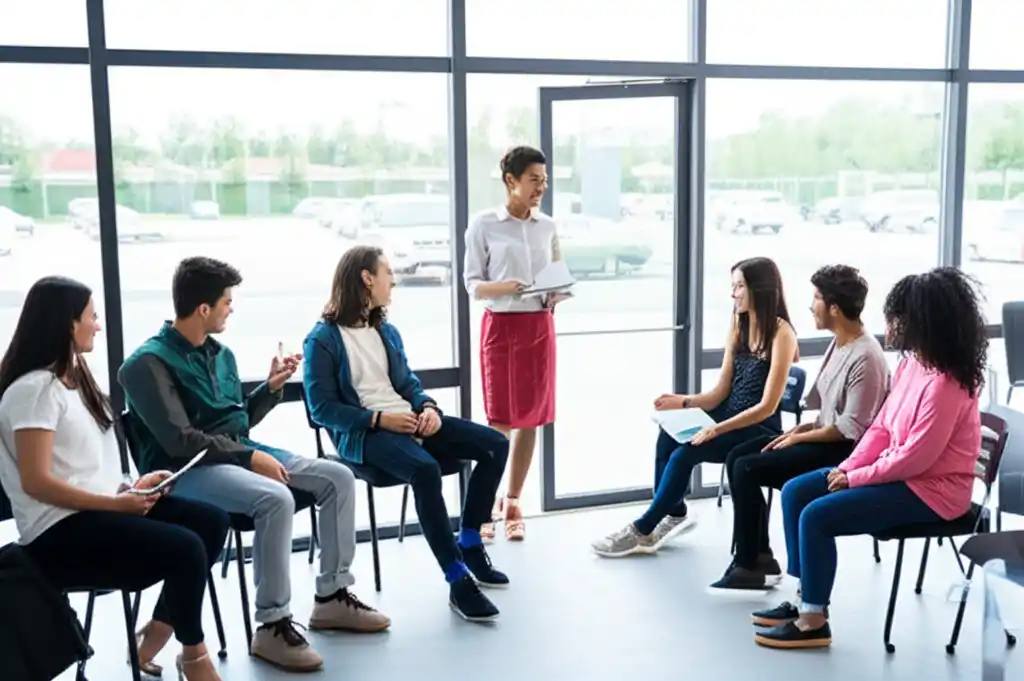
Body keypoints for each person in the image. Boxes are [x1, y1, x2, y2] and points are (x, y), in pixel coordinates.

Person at [119, 257, 390, 674]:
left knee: (337, 477)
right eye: (227, 301)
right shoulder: (144, 365)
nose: (232, 308)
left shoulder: (222, 355)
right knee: (274, 498)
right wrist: (250, 457)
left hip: (233, 453)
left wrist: (269, 389)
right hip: (183, 471)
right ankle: (272, 625)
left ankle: (333, 597)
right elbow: (180, 441)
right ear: (203, 308)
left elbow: (235, 421)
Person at [0, 276, 229, 681]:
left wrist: (129, 488)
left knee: (212, 522)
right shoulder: (33, 391)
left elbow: (82, 467)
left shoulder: (75, 379)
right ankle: (194, 658)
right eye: (92, 316)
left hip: (97, 514)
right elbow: (36, 483)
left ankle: (158, 630)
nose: (98, 325)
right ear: (67, 323)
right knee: (186, 547)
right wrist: (115, 505)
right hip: (58, 534)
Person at [753, 267, 987, 650]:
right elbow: (880, 429)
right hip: (901, 474)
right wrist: (847, 467)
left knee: (817, 515)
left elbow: (917, 458)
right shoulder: (913, 364)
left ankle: (813, 621)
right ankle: (804, 596)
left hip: (933, 492)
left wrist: (856, 478)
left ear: (925, 322)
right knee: (796, 492)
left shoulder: (947, 384)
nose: (891, 322)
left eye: (899, 315)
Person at [303, 246, 511, 623]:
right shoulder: (323, 339)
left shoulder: (386, 330)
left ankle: (470, 542)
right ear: (367, 278)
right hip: (366, 435)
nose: (393, 280)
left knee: (495, 444)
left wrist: (428, 408)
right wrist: (379, 419)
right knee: (426, 470)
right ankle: (457, 579)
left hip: (409, 420)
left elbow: (408, 384)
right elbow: (323, 410)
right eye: (387, 272)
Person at [592, 257, 798, 557]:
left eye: (739, 286)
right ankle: (675, 513)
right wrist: (684, 402)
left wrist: (715, 429)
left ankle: (642, 529)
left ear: (759, 288)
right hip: (728, 417)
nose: (734, 294)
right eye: (733, 286)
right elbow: (719, 393)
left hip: (759, 429)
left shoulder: (783, 334)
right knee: (668, 434)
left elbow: (767, 407)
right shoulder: (739, 324)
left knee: (686, 452)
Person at [710, 265, 890, 591]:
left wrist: (798, 438)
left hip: (844, 451)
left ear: (834, 308)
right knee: (737, 456)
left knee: (749, 468)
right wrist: (794, 433)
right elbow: (825, 413)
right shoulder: (839, 343)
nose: (810, 306)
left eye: (817, 298)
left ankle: (749, 563)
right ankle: (758, 555)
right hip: (825, 437)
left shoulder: (866, 356)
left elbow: (850, 429)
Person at [463, 145, 569, 542]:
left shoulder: (547, 226)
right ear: (511, 181)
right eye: (533, 180)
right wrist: (505, 287)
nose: (541, 187)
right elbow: (472, 283)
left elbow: (558, 274)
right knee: (500, 419)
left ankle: (514, 500)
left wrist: (557, 293)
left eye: (543, 180)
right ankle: (486, 505)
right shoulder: (484, 224)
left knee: (533, 418)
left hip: (539, 326)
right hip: (501, 327)